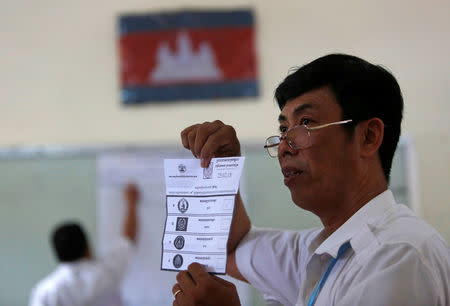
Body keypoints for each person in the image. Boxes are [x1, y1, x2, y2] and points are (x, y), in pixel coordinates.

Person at [172, 54, 450, 306]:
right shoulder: (316, 254)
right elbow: (231, 249)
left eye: (306, 123)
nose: (284, 146)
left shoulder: (398, 257)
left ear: (368, 137)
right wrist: (224, 167)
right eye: (283, 129)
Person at [29, 183, 140, 306]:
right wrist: (131, 204)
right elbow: (127, 239)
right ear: (87, 249)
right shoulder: (107, 272)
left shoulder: (46, 291)